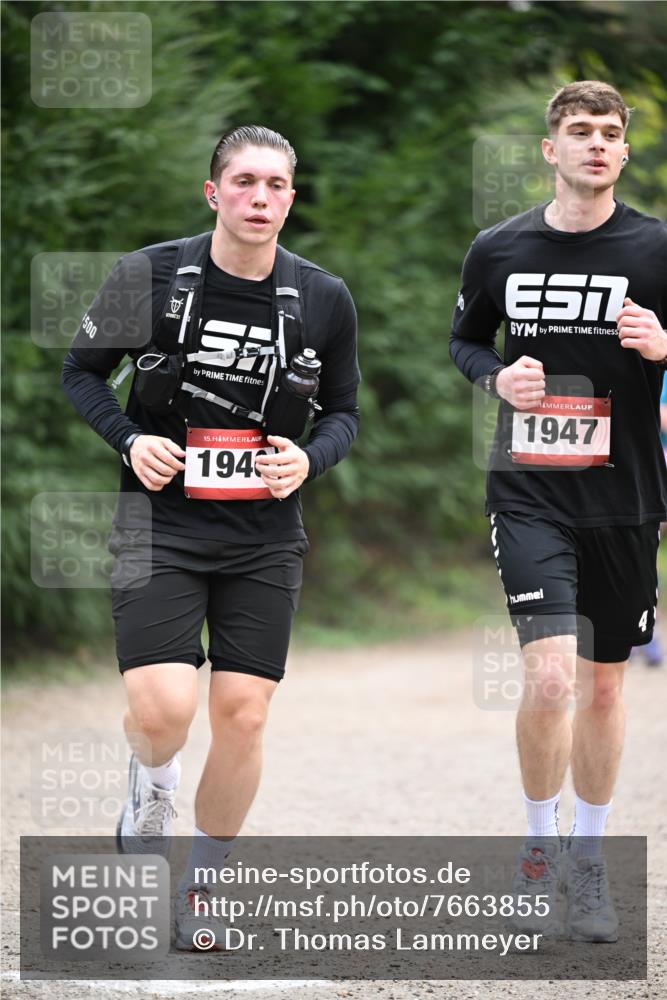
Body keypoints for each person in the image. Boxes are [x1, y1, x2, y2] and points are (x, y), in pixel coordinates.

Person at [61, 125, 360, 949]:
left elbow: (343, 413)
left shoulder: (323, 298)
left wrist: (309, 457)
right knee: (163, 709)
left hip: (263, 535)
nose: (260, 199)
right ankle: (151, 787)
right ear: (214, 192)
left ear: (291, 199)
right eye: (244, 183)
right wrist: (129, 438)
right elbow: (80, 372)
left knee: (244, 715)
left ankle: (203, 887)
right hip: (157, 522)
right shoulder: (149, 275)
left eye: (275, 186)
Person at [450, 81, 667, 941]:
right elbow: (466, 339)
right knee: (548, 674)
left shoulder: (655, 248)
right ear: (550, 149)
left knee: (605, 687)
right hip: (530, 490)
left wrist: (665, 347)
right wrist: (493, 377)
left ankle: (587, 858)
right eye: (579, 131)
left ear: (622, 151)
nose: (595, 145)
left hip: (625, 497)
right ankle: (537, 852)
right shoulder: (498, 249)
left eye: (609, 134)